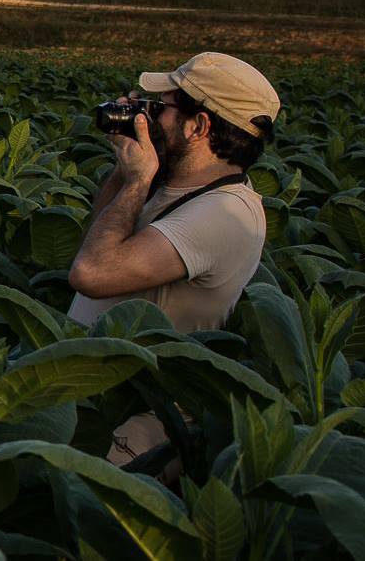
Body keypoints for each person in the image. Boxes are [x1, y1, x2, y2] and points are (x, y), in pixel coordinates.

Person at [65, 51, 280, 467]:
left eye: (162, 107)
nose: (148, 113)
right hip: (93, 390)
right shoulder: (180, 185)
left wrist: (140, 178)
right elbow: (99, 238)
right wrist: (127, 170)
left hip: (133, 418)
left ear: (198, 125)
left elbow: (91, 272)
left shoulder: (224, 213)